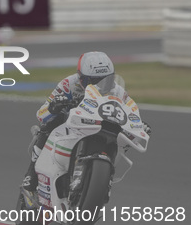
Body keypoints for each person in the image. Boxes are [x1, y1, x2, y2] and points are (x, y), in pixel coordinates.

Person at [21, 51, 151, 193]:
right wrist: (54, 106)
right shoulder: (68, 84)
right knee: (49, 122)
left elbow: (130, 110)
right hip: (71, 123)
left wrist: (139, 125)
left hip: (100, 126)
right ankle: (31, 174)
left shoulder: (118, 91)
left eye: (105, 80)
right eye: (92, 81)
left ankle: (105, 180)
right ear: (80, 78)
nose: (99, 85)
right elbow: (41, 114)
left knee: (119, 137)